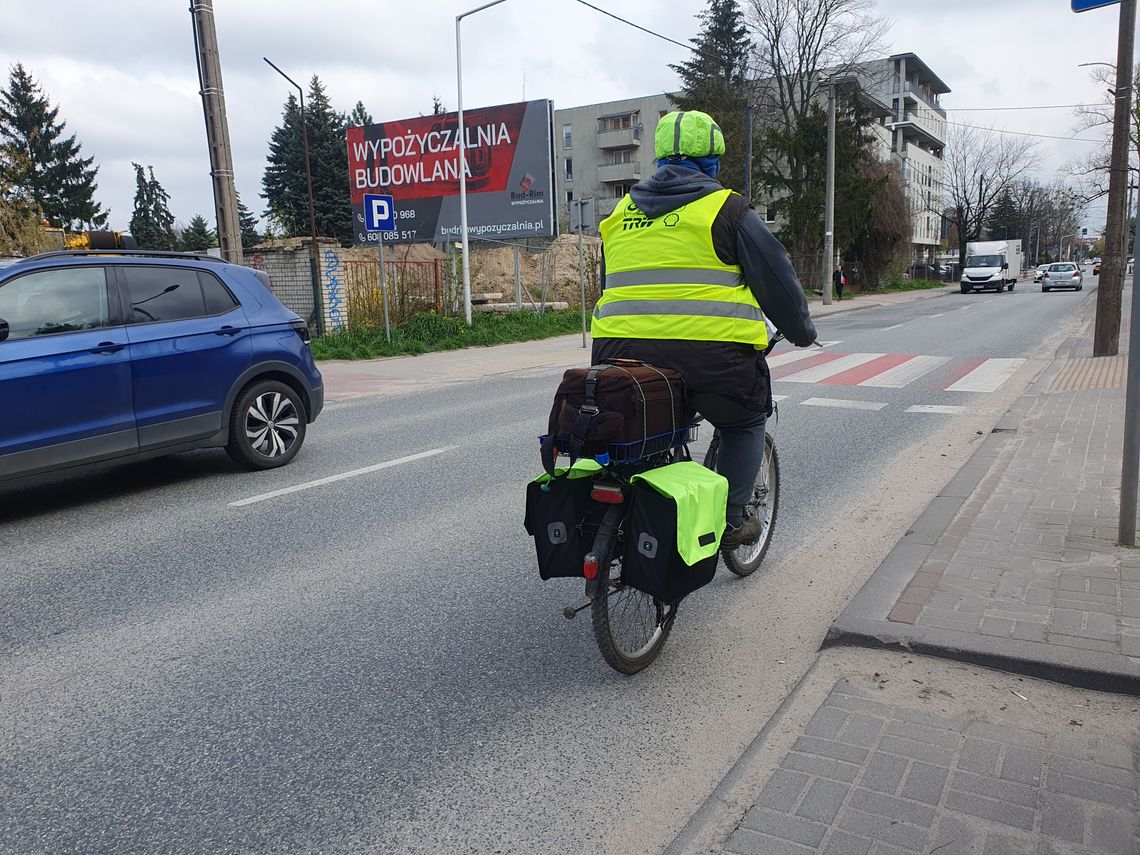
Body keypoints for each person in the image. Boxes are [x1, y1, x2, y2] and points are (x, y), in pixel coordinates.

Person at [591, 110, 817, 548]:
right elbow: (779, 285)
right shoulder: (727, 209)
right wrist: (803, 331)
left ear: (659, 158)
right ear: (712, 160)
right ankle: (731, 521)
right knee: (745, 422)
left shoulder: (618, 215)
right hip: (714, 364)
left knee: (643, 429)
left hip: (619, 358)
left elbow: (612, 287)